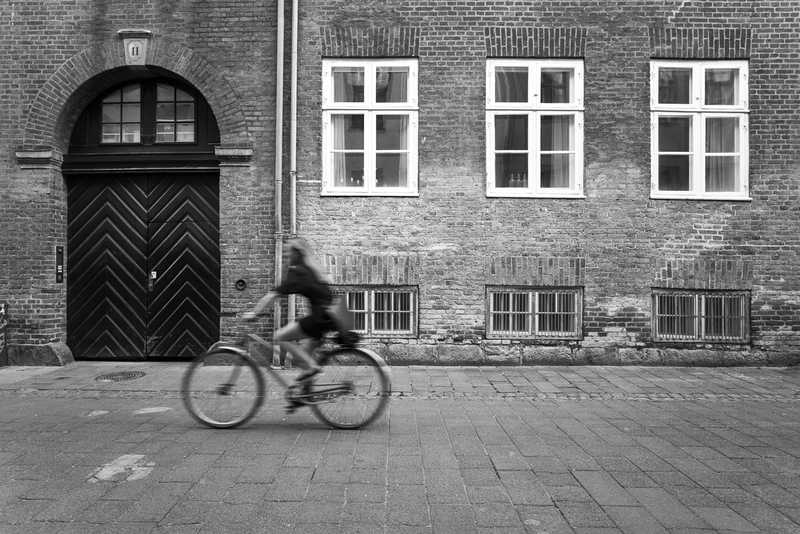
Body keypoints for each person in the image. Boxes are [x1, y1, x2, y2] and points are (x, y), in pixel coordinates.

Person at [242, 237, 336, 385]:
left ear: (296, 253)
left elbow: (274, 295)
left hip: (319, 318)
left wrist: (254, 313)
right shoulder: (311, 268)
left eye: (288, 252)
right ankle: (303, 395)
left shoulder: (298, 271)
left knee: (280, 337)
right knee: (306, 357)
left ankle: (313, 369)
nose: (286, 256)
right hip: (327, 316)